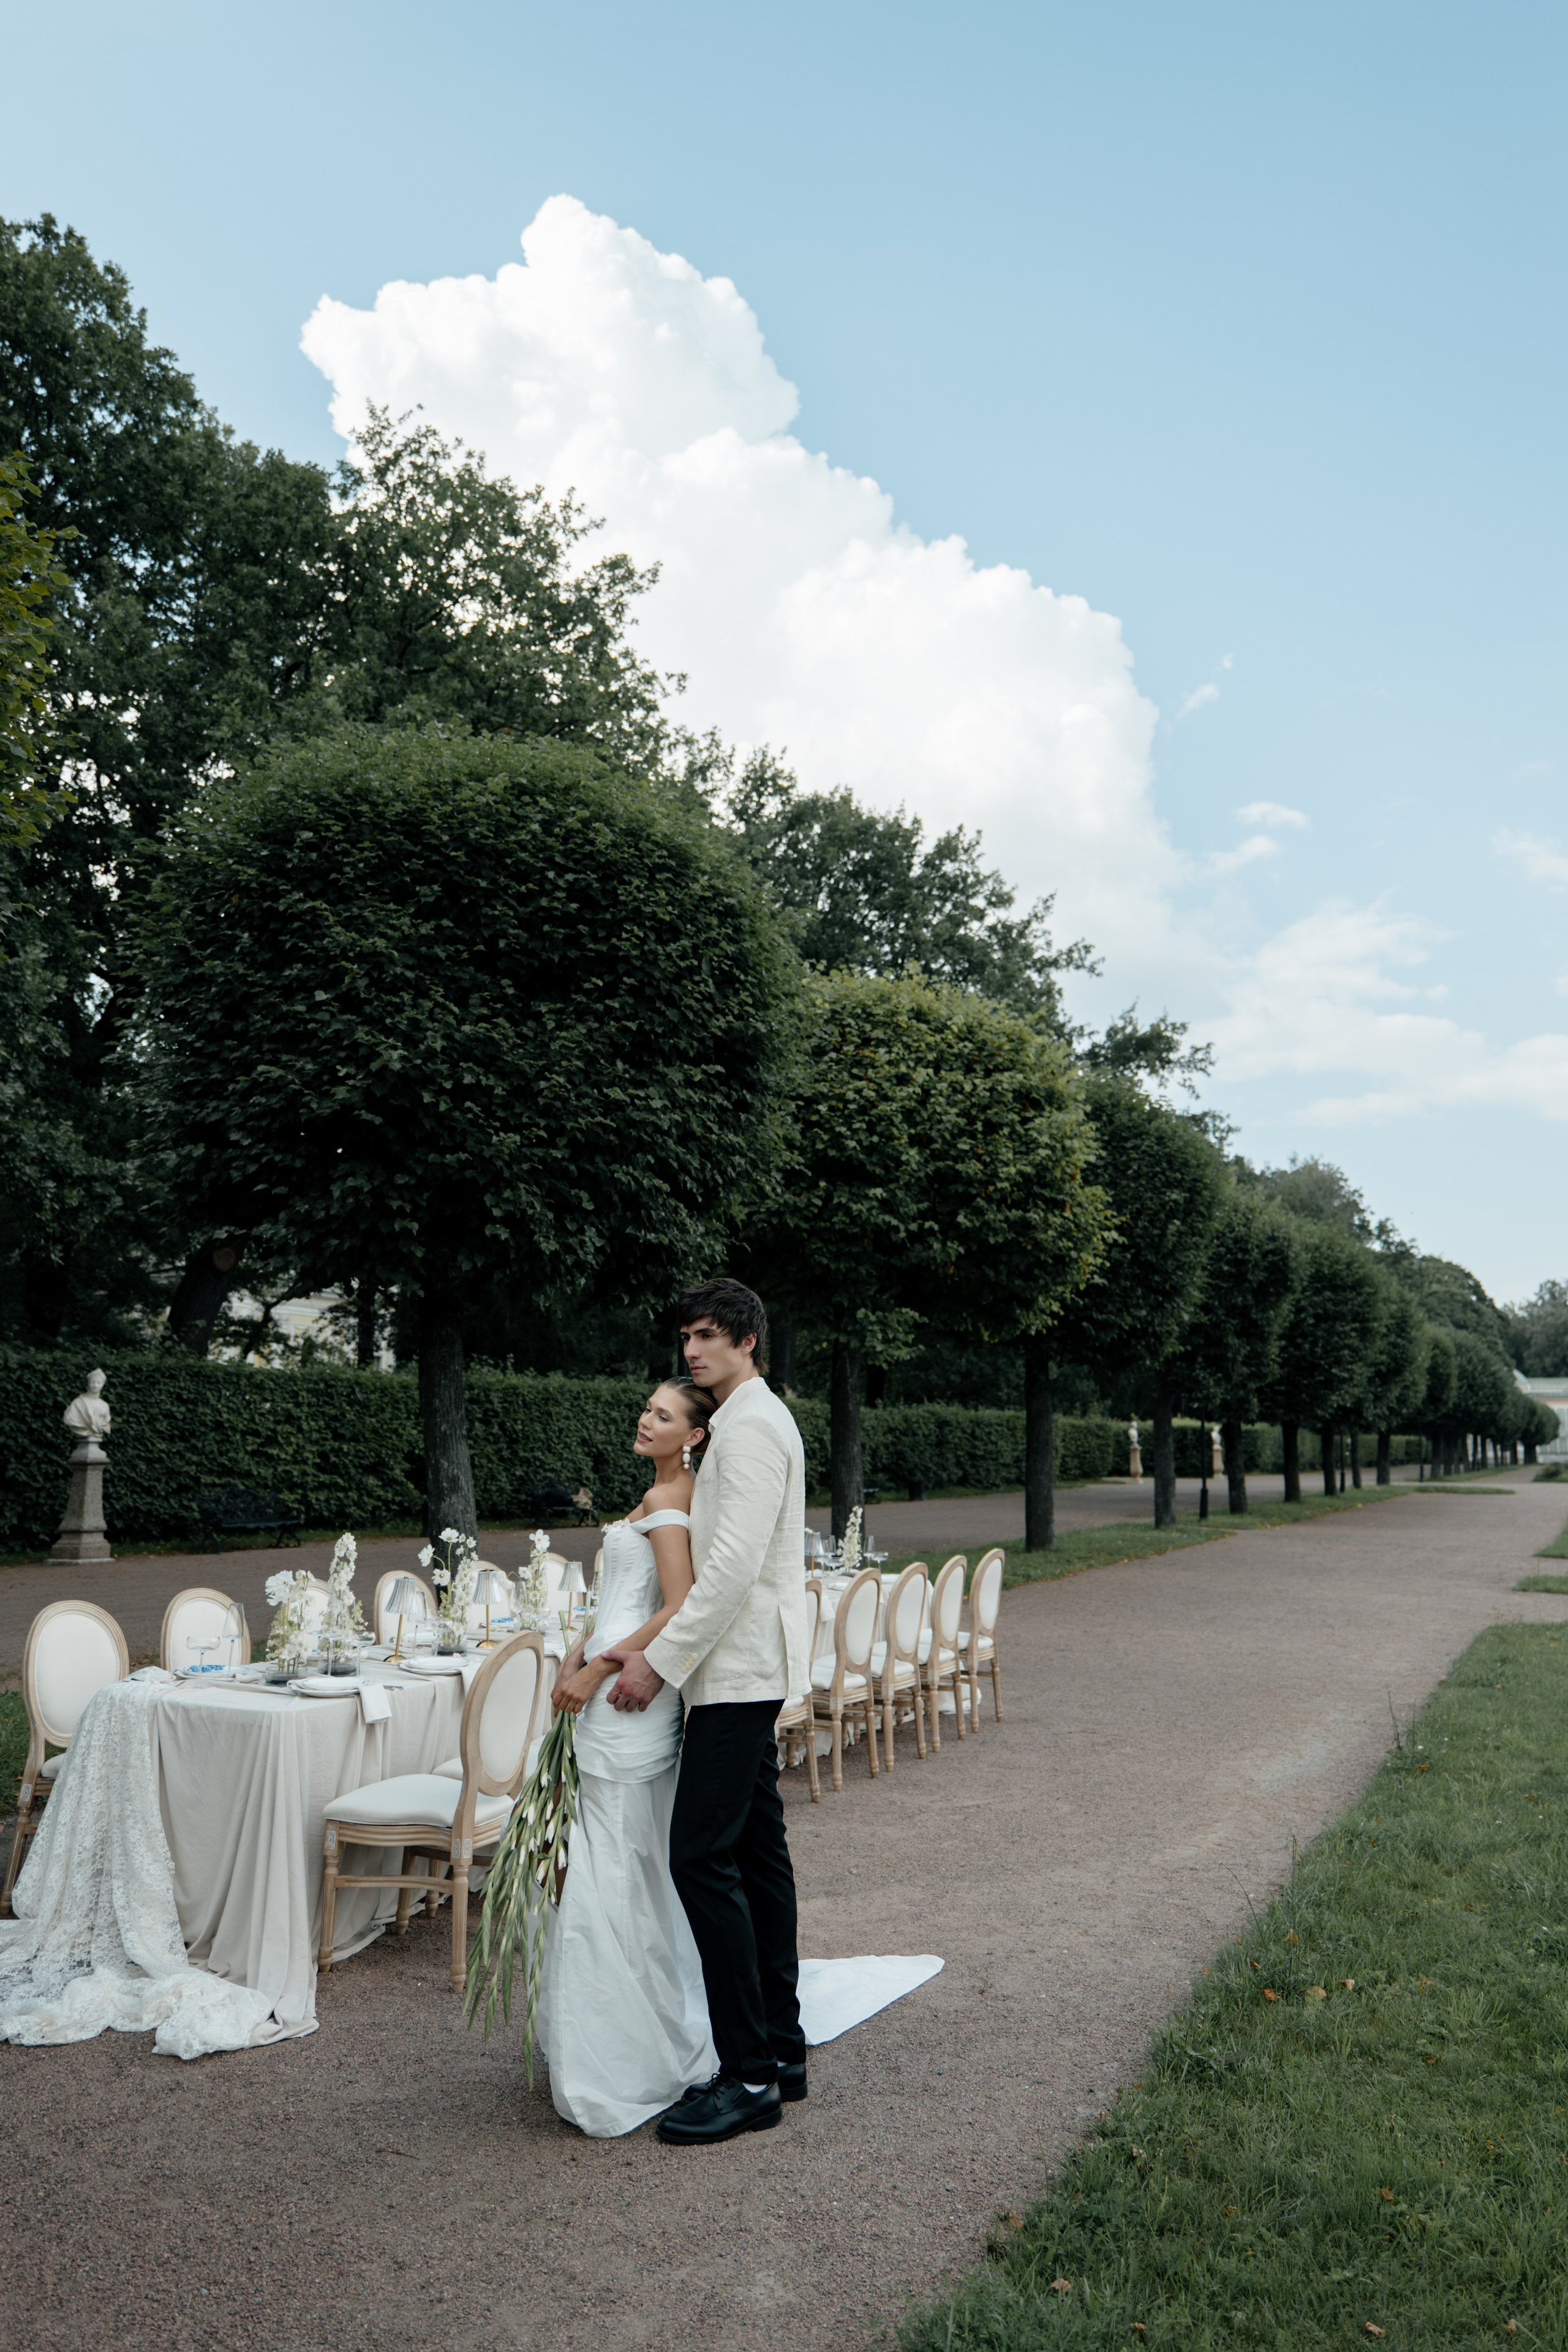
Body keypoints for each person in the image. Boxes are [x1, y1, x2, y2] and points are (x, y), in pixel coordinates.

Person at [601, 1277, 810, 2146]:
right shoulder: (742, 1422)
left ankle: (749, 2076)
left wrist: (659, 1660)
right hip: (742, 1669)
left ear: (747, 1339)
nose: (692, 1350)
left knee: (700, 1858)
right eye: (687, 1336)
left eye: (708, 1336)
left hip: (736, 1672)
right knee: (759, 1856)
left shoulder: (756, 1427)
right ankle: (784, 2052)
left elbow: (727, 1572)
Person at [535, 1378, 719, 2137]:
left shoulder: (672, 1506)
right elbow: (624, 1597)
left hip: (623, 1702)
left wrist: (600, 1666)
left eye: (665, 1415)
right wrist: (577, 1644)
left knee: (615, 1858)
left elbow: (678, 1607)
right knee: (613, 1853)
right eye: (648, 1408)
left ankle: (628, 2050)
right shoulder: (652, 1499)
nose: (647, 1420)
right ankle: (618, 2031)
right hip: (605, 1680)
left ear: (693, 1438)